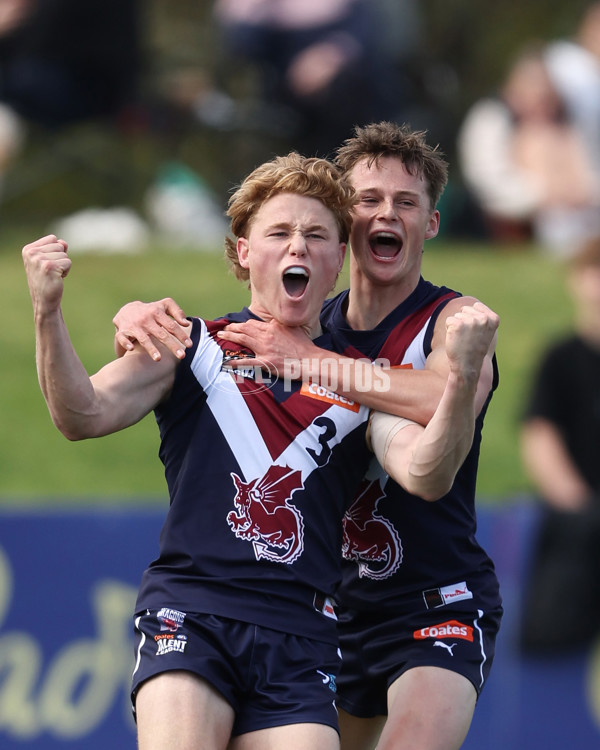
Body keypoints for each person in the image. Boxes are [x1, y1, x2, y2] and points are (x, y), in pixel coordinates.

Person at [23, 150, 498, 750]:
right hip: (193, 614)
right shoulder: (192, 345)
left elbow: (427, 473)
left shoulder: (358, 383)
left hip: (305, 636)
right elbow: (81, 414)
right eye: (279, 233)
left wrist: (461, 378)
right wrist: (48, 311)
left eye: (316, 235)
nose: (298, 247)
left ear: (337, 258)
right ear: (244, 252)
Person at [519, 235, 600, 653]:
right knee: (553, 640)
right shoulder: (562, 360)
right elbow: (540, 438)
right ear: (579, 280)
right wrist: (583, 509)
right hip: (578, 526)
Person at [457, 43, 600, 254]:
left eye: (547, 97)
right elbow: (490, 184)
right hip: (509, 223)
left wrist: (580, 193)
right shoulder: (491, 119)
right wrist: (544, 196)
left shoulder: (566, 127)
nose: (541, 106)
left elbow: (588, 171)